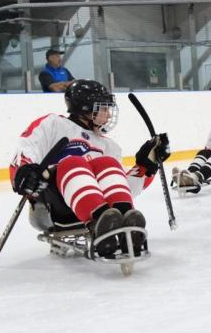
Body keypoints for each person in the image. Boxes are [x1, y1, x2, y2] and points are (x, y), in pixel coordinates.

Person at [9, 79, 170, 258]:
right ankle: (98, 222)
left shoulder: (109, 146)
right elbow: (26, 149)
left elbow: (123, 187)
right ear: (86, 108)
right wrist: (25, 173)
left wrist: (146, 165)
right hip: (53, 208)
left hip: (93, 206)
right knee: (73, 163)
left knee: (106, 163)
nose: (108, 115)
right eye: (103, 108)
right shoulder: (53, 124)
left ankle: (124, 222)